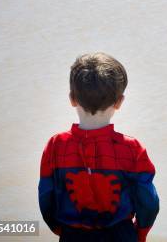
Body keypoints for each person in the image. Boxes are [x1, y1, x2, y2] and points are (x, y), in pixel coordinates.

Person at [38, 53, 159, 242]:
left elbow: (46, 196)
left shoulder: (55, 146)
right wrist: (140, 232)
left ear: (72, 99)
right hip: (122, 235)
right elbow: (148, 202)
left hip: (72, 235)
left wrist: (58, 228)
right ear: (119, 102)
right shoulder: (132, 149)